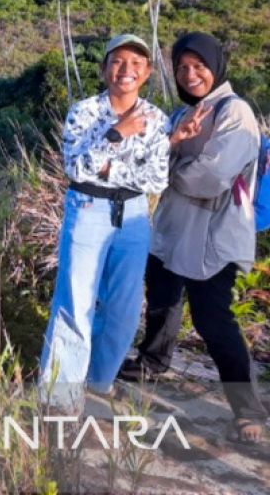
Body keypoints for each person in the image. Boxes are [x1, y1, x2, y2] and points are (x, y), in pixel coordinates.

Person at [117, 32, 268, 443]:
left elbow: (210, 176)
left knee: (213, 319)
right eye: (182, 68)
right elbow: (148, 161)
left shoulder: (236, 113)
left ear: (216, 66)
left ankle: (247, 408)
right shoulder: (186, 113)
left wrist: (169, 171)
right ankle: (151, 365)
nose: (190, 74)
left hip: (214, 234)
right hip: (173, 228)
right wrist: (168, 156)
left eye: (198, 66)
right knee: (163, 301)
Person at [38, 33, 170, 412]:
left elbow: (156, 178)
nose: (126, 70)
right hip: (87, 209)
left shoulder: (156, 118)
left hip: (133, 215)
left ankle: (98, 379)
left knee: (126, 307)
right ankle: (59, 395)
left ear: (145, 74)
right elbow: (75, 169)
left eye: (136, 64)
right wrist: (116, 136)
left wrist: (109, 166)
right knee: (76, 301)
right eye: (118, 61)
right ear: (104, 68)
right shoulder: (84, 111)